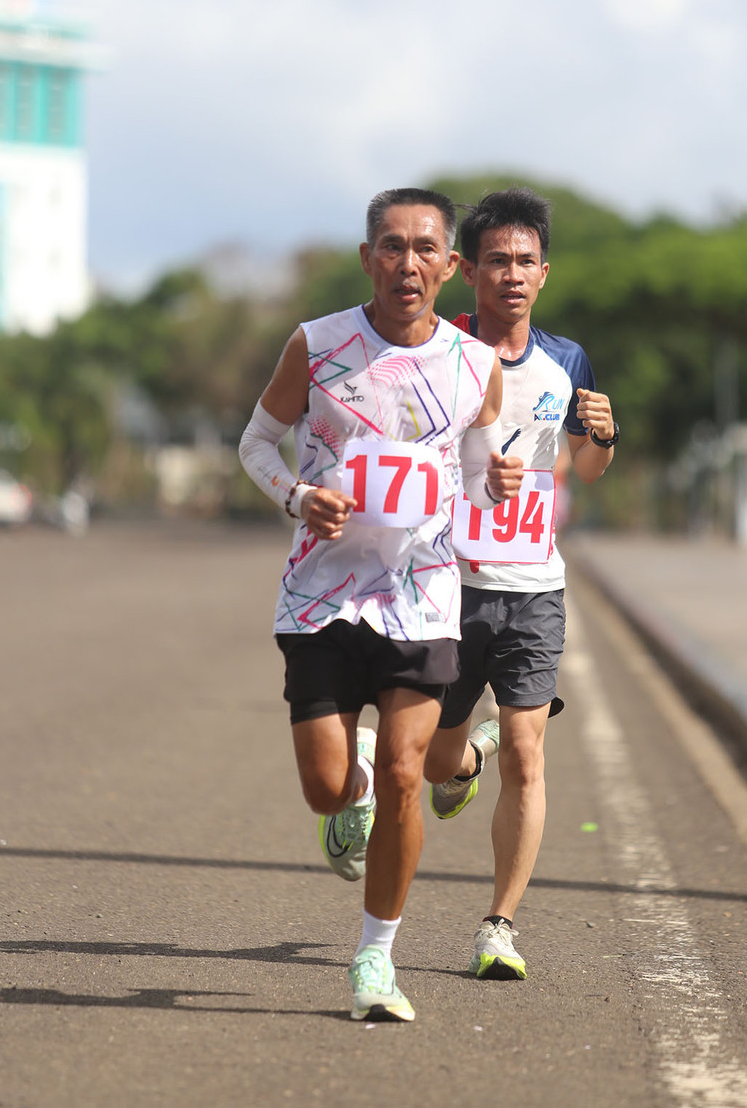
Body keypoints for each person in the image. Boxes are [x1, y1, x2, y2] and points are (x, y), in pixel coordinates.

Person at [238, 187, 522, 1023]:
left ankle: (374, 958)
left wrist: (496, 480)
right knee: (329, 790)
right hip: (322, 596)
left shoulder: (476, 367)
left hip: (422, 595)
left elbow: (476, 475)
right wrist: (297, 498)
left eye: (425, 248)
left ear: (451, 266)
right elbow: (256, 442)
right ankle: (348, 787)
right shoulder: (319, 345)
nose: (408, 263)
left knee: (409, 772)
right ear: (368, 257)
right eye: (391, 247)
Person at [423, 187, 617, 981]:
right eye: (497, 259)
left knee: (529, 757)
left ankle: (498, 924)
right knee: (435, 765)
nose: (513, 273)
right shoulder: (438, 345)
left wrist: (602, 434)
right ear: (468, 270)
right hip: (446, 580)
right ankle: (464, 760)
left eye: (526, 261)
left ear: (546, 272)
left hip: (535, 584)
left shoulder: (567, 362)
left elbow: (585, 466)